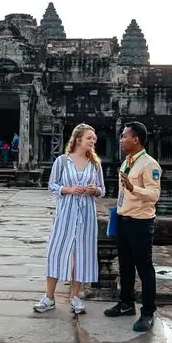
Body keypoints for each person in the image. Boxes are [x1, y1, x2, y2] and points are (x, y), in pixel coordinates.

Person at [33, 123, 105, 315]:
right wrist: (69, 189)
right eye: (89, 138)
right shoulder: (63, 161)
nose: (93, 141)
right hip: (66, 211)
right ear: (78, 139)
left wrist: (93, 190)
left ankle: (75, 296)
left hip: (87, 213)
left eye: (94, 139)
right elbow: (52, 185)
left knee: (82, 253)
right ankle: (49, 296)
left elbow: (102, 190)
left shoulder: (95, 164)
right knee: (57, 250)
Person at [104, 121, 162, 333]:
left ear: (135, 139)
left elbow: (154, 195)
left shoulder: (149, 164)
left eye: (124, 136)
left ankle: (147, 312)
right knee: (125, 265)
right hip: (123, 220)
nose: (121, 139)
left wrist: (133, 187)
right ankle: (126, 303)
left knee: (144, 268)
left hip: (140, 223)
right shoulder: (127, 162)